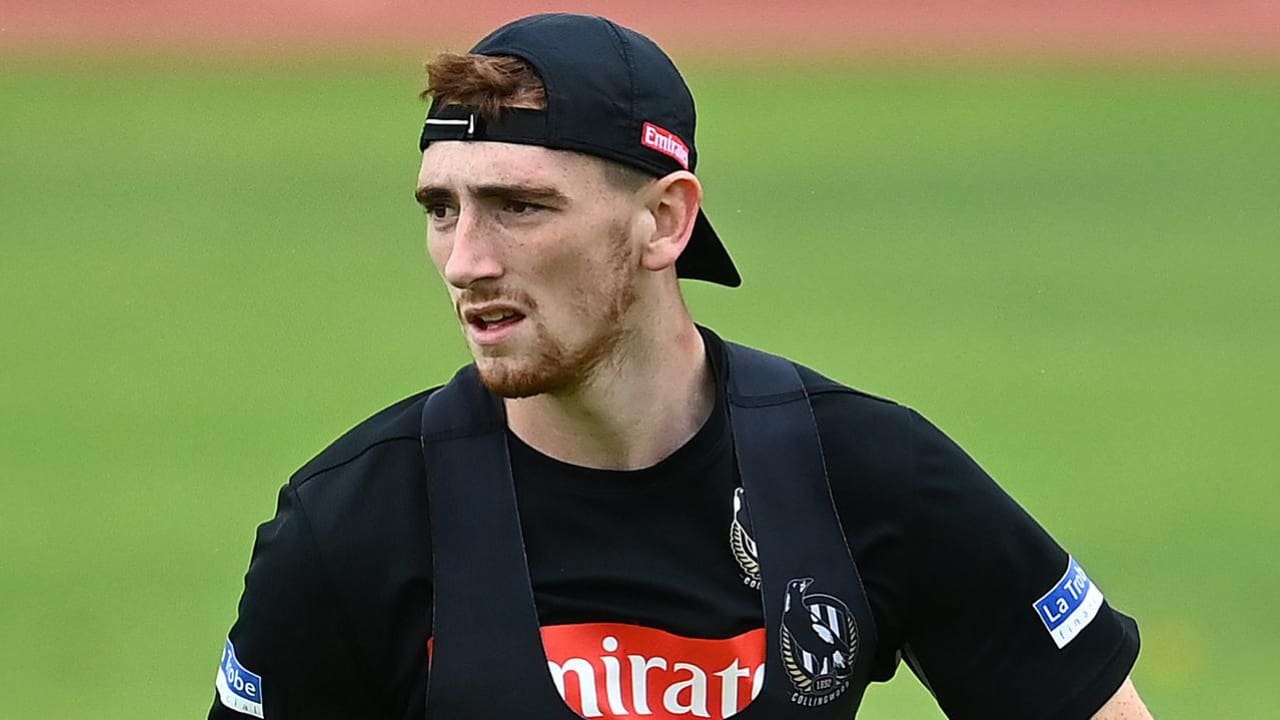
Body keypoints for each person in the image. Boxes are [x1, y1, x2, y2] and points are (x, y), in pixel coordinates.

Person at [209, 12, 1152, 720]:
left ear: (665, 219)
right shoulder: (354, 525)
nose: (466, 262)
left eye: (520, 207)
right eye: (442, 210)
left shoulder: (870, 472)